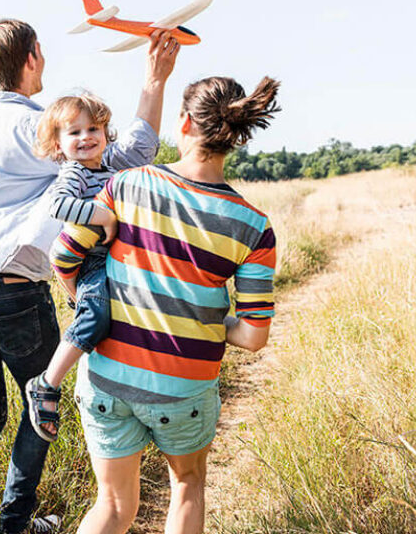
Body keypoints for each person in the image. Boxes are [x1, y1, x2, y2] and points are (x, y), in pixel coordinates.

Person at [0, 19, 180, 534]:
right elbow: (130, 154)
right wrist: (153, 82)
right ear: (33, 57)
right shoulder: (41, 126)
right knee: (37, 403)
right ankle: (15, 525)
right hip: (12, 290)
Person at [55, 76, 280, 534]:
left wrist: (86, 302)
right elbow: (254, 337)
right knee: (187, 486)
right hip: (184, 390)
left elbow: (64, 256)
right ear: (235, 136)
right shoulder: (255, 226)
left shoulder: (126, 185)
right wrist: (204, 318)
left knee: (113, 506)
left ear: (183, 123)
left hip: (107, 380)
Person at [22, 92, 124, 443]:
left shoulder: (110, 171)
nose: (85, 138)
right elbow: (58, 205)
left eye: (93, 128)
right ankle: (47, 383)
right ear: (58, 144)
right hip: (91, 261)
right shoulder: (74, 173)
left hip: (113, 258)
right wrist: (102, 215)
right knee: (95, 317)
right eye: (74, 132)